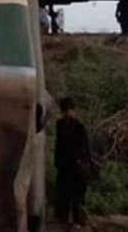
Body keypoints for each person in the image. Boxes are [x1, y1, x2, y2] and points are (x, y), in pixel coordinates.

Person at [54, 98, 91, 230]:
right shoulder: (66, 125)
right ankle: (69, 220)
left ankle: (75, 220)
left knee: (74, 194)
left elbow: (84, 147)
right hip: (69, 165)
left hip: (72, 165)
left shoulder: (75, 126)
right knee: (69, 193)